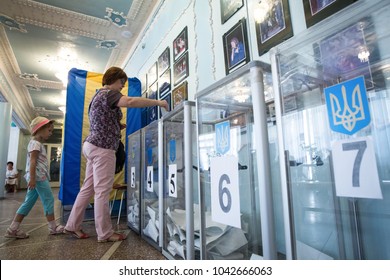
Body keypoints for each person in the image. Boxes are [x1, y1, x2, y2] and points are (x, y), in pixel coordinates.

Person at [64, 66, 169, 242]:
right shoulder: (109, 93)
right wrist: (158, 103)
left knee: (87, 189)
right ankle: (105, 233)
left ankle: (72, 225)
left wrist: (115, 125)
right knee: (102, 192)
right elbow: (130, 102)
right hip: (103, 148)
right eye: (122, 82)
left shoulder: (96, 97)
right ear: (113, 80)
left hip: (91, 145)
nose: (122, 86)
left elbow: (100, 120)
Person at [5, 117, 65, 239]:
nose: (51, 133)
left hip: (37, 177)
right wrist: (32, 179)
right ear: (40, 129)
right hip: (38, 178)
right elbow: (32, 162)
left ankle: (13, 229)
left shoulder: (36, 144)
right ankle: (53, 227)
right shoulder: (36, 144)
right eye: (49, 130)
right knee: (48, 199)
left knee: (28, 202)